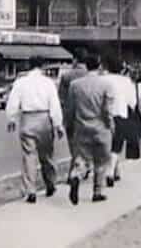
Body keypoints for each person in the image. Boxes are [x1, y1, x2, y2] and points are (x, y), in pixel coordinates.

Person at [6, 56, 64, 204]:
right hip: (45, 118)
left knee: (29, 155)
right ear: (43, 67)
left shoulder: (20, 83)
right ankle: (50, 183)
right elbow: (54, 105)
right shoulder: (48, 83)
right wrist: (58, 124)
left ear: (28, 65)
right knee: (47, 155)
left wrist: (11, 119)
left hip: (27, 119)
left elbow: (13, 102)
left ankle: (30, 189)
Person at [65, 53, 114, 205]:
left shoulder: (75, 85)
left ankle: (76, 175)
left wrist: (69, 125)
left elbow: (70, 109)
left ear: (86, 66)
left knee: (81, 157)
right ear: (99, 66)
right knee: (101, 161)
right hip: (100, 127)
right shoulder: (106, 84)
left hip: (82, 127)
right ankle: (97, 192)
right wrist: (110, 125)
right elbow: (107, 110)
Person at [100, 55, 139, 187]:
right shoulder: (126, 81)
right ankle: (110, 172)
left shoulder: (102, 80)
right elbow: (132, 102)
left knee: (107, 144)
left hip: (103, 116)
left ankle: (115, 171)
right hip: (120, 114)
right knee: (116, 145)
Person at [57, 48, 90, 181]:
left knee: (73, 145)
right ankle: (83, 166)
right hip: (89, 115)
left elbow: (61, 99)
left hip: (72, 115)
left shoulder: (67, 76)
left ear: (75, 60)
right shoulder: (92, 76)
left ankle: (75, 171)